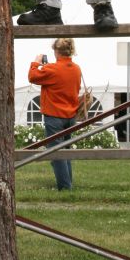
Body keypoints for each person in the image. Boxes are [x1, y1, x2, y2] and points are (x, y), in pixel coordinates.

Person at [28, 38, 81, 191]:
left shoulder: (52, 69)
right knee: (66, 151)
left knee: (56, 154)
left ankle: (65, 187)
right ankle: (68, 182)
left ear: (56, 51)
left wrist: (36, 62)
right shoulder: (76, 68)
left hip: (54, 116)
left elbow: (32, 76)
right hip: (71, 116)